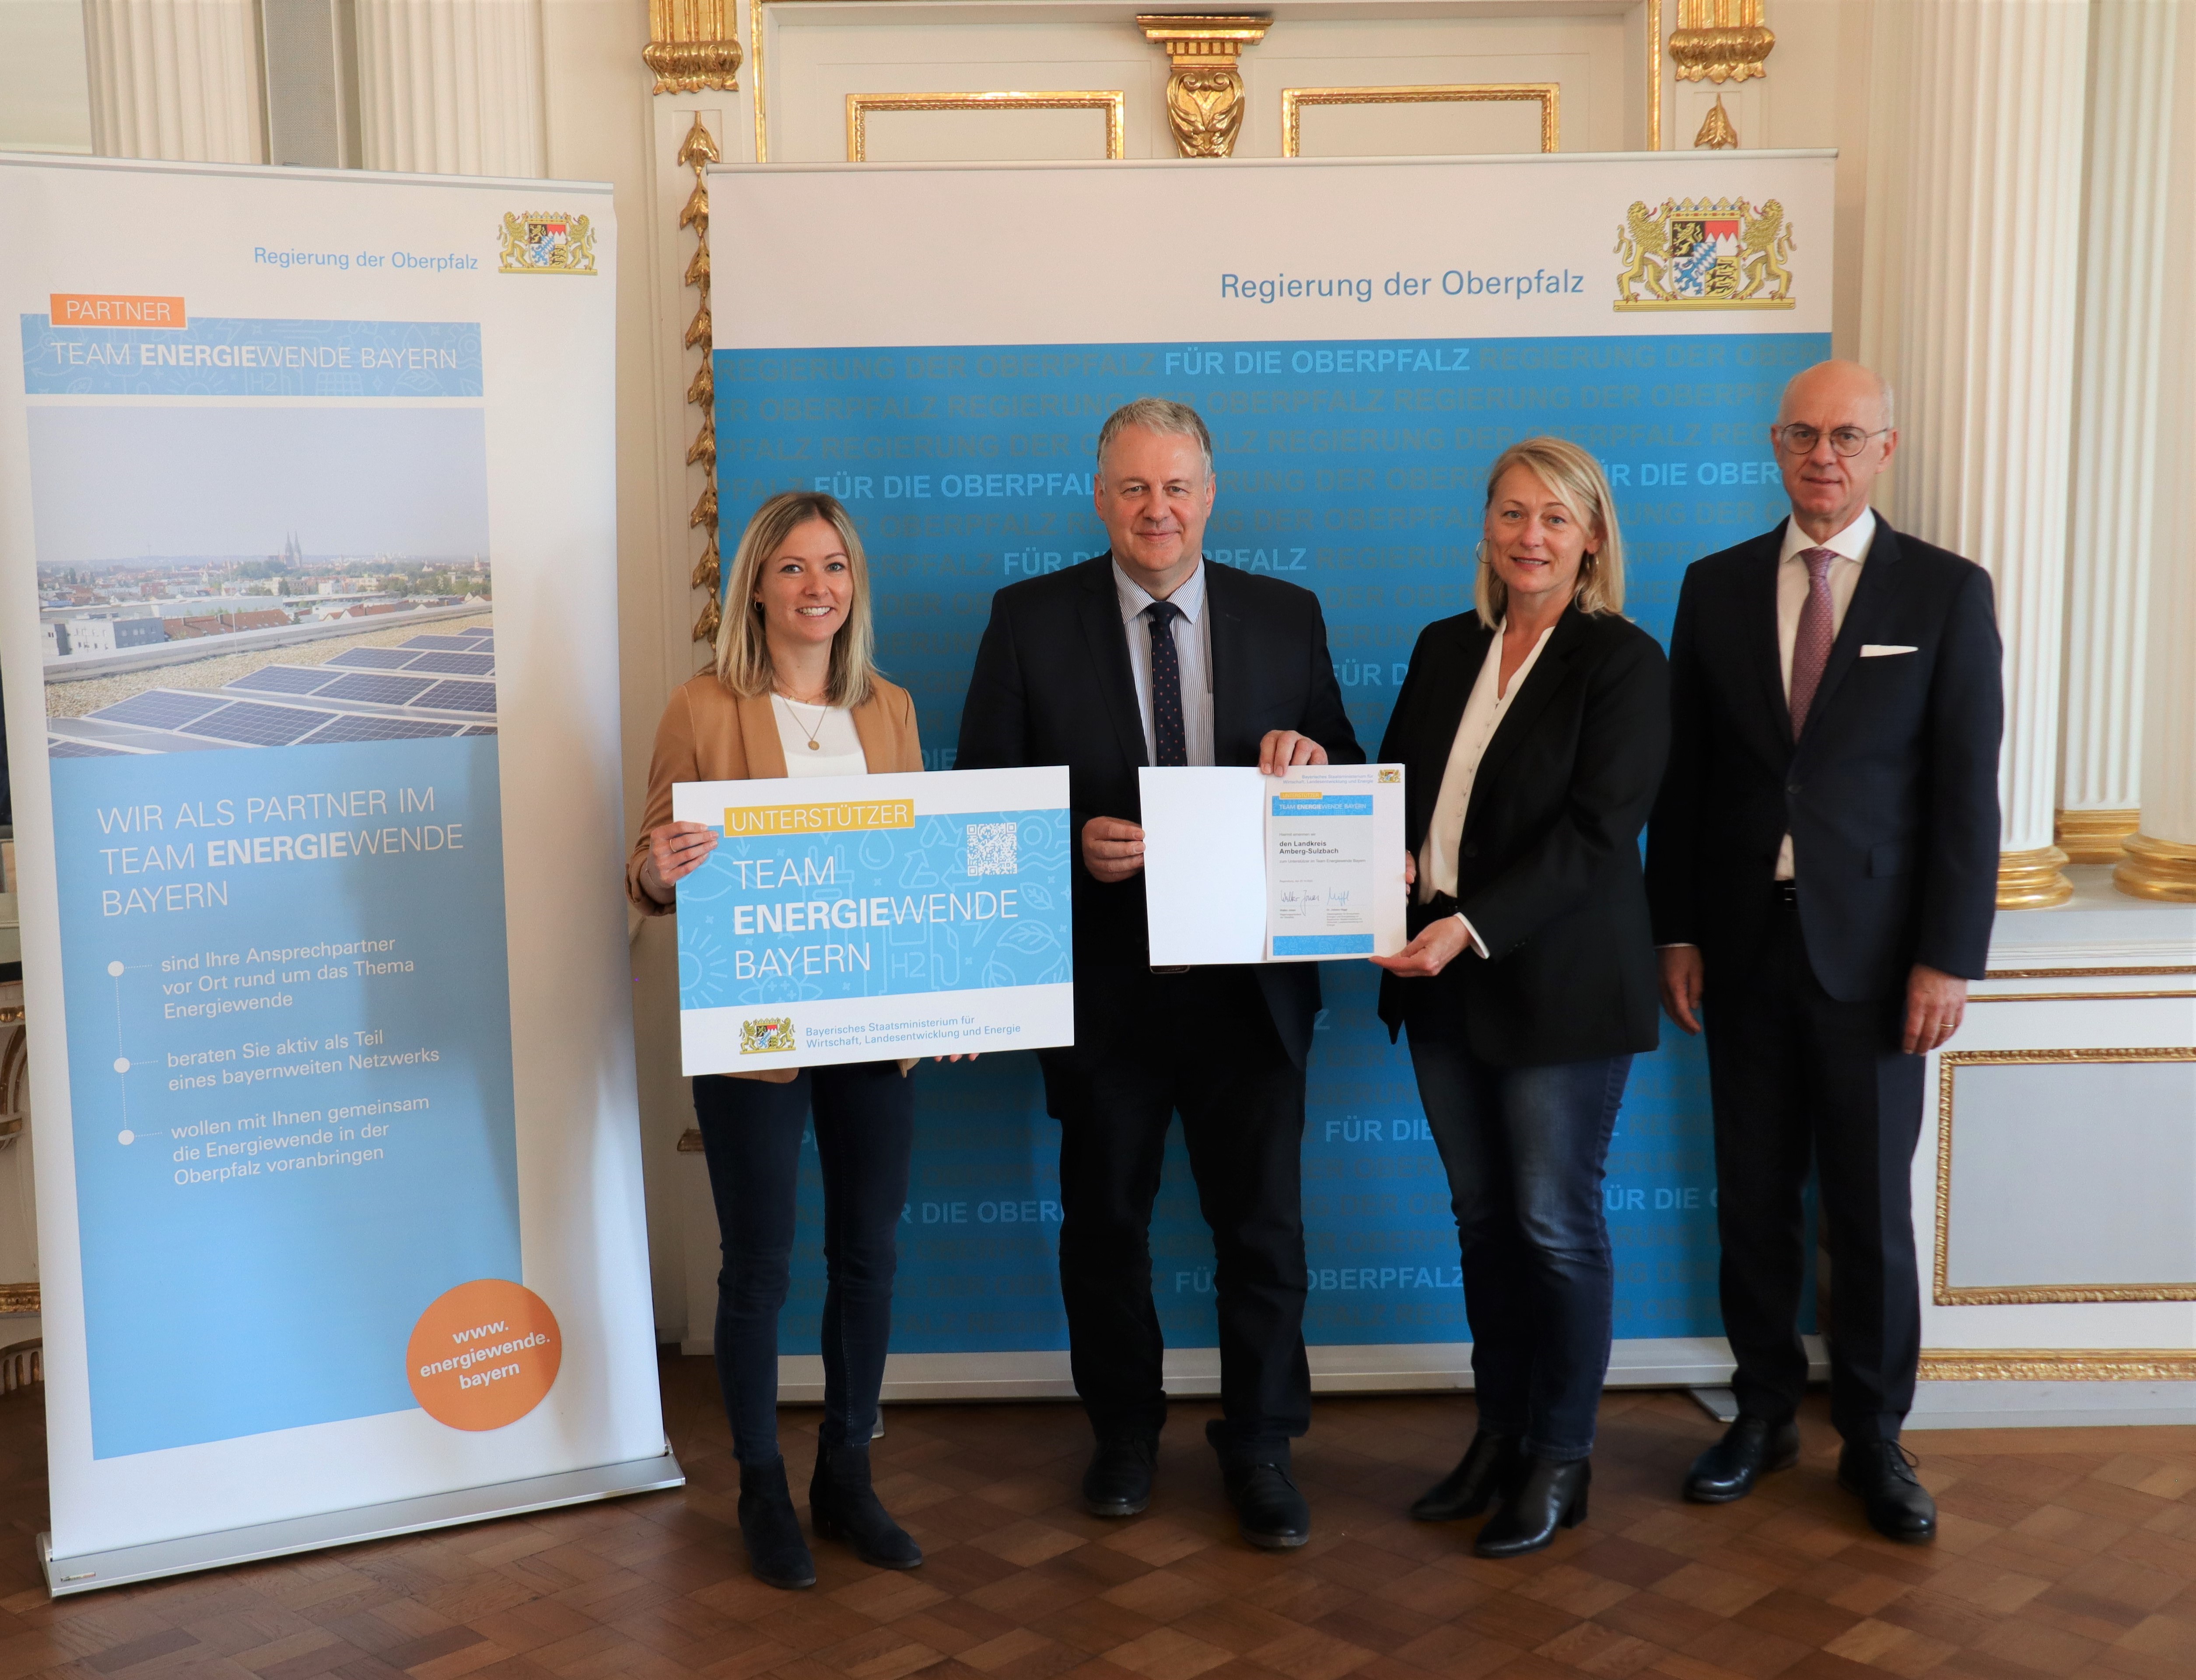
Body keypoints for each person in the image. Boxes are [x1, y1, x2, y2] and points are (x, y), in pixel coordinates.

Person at [956, 398, 1360, 1549]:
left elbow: (1339, 770)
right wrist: (1069, 846)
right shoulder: (1027, 621)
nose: (1157, 510)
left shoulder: (1286, 616)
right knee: (1104, 1229)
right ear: (1099, 498)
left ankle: (1262, 1447)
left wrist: (1309, 758)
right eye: (1134, 488)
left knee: (1263, 1234)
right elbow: (984, 805)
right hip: (1105, 992)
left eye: (1176, 487)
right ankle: (1123, 1435)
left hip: (1250, 994)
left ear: (1209, 495)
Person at [1646, 360, 2003, 1544]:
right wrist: (1675, 928)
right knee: (1751, 1200)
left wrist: (1946, 958)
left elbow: (1964, 797)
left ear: (1883, 449)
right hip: (1741, 950)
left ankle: (1875, 1437)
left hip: (1881, 966)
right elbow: (1685, 783)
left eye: (1846, 436)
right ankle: (1759, 1415)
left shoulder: (1943, 592)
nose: (1822, 456)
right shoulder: (1711, 588)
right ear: (1773, 443)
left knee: (1866, 1214)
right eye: (1802, 434)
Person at [628, 490, 932, 1590]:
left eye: (835, 567)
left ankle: (845, 1476)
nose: (818, 587)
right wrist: (659, 868)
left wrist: (952, 998)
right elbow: (645, 865)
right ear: (755, 585)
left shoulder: (889, 709)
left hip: (874, 1023)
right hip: (753, 1026)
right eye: (795, 567)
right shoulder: (702, 706)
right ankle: (761, 1487)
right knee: (757, 1265)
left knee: (869, 1256)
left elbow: (922, 871)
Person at [1371, 438, 1669, 1558]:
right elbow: (1397, 793)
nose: (1527, 535)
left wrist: (1470, 924)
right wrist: (1387, 861)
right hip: (1439, 974)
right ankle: (1497, 1436)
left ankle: (1559, 1456)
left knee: (1552, 1223)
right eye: (1509, 513)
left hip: (1556, 983)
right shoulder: (1444, 645)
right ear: (1485, 528)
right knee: (1483, 1223)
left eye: (1552, 517)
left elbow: (1599, 833)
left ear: (1591, 538)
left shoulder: (1622, 660)